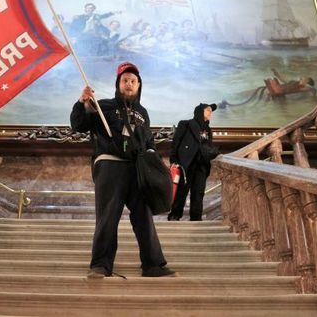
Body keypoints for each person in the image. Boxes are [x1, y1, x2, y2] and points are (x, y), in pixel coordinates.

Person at [70, 62, 177, 278]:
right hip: (110, 165)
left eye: (133, 81)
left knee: (144, 216)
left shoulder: (143, 113)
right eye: (124, 80)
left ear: (139, 86)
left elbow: (149, 143)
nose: (129, 84)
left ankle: (153, 265)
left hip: (137, 169)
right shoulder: (103, 106)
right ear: (118, 84)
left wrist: (155, 164)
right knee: (108, 216)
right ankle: (101, 265)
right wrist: (82, 103)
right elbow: (78, 124)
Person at [168, 103, 219, 221]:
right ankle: (175, 216)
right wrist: (174, 160)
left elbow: (208, 147)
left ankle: (196, 218)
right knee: (182, 191)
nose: (210, 113)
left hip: (201, 165)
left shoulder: (208, 130)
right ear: (199, 111)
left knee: (199, 193)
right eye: (208, 110)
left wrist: (215, 153)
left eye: (211, 111)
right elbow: (176, 143)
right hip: (186, 164)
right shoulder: (185, 124)